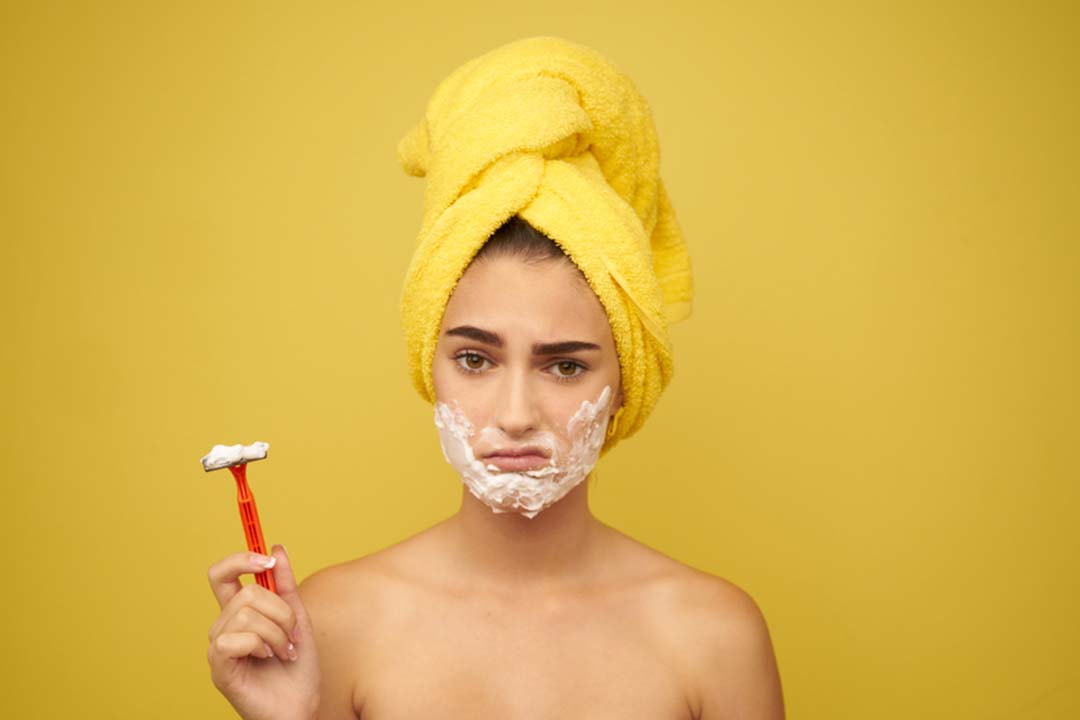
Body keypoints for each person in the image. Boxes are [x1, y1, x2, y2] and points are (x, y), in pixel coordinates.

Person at [206, 37, 784, 720]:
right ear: (432, 364)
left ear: (626, 382)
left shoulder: (713, 637)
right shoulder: (330, 625)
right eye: (476, 359)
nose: (515, 413)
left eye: (565, 365)